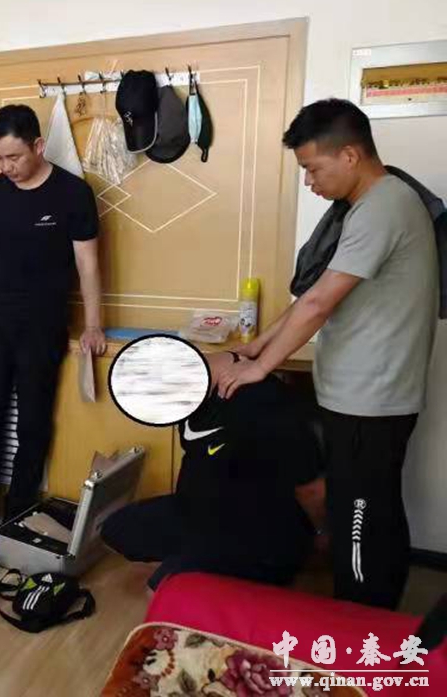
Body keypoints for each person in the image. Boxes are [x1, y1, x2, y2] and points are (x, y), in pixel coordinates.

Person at [216, 98, 438, 609]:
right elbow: (312, 296)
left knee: (361, 519)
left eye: (313, 168)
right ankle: (373, 616)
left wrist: (261, 368)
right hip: (361, 396)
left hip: (371, 400)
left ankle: (362, 622)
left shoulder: (384, 207)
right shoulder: (368, 207)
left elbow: (319, 303)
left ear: (350, 156)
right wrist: (258, 345)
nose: (309, 181)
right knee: (370, 508)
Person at [0, 104, 106, 545]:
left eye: (13, 157)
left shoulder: (73, 193)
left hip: (43, 325)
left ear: (38, 145)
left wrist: (93, 325)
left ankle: (19, 512)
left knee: (33, 422)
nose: (5, 167)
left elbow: (88, 264)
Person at [102, 352, 320, 591]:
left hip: (255, 531)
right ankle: (198, 559)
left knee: (164, 587)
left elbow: (310, 484)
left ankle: (231, 568)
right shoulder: (193, 397)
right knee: (117, 529)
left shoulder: (263, 400)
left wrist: (319, 536)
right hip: (202, 511)